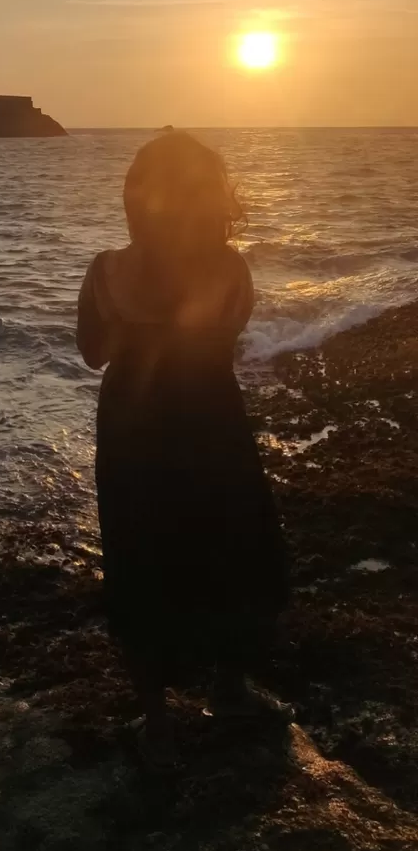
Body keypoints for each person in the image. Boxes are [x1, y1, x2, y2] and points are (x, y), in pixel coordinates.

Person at [76, 130, 289, 765]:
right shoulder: (231, 269)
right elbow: (230, 331)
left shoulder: (106, 269)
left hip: (133, 426)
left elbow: (93, 354)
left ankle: (158, 726)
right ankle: (229, 686)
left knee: (142, 554)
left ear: (136, 198)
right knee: (230, 543)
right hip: (212, 421)